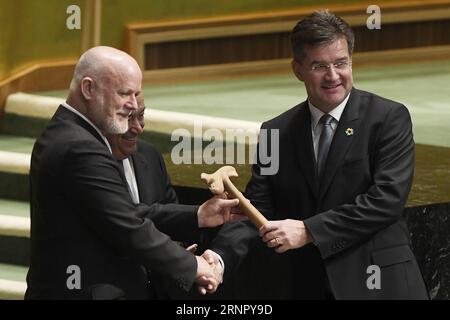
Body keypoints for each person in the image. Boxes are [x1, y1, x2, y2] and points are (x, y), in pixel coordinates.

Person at [209, 10, 429, 299]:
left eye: (341, 63)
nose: (333, 76)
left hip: (380, 284)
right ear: (297, 69)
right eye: (319, 66)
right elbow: (259, 210)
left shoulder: (388, 118)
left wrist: (309, 231)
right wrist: (218, 256)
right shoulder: (275, 132)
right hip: (309, 285)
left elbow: (386, 200)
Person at [25, 46, 236, 300]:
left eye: (136, 95)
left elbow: (128, 212)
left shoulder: (75, 136)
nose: (133, 105)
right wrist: (196, 266)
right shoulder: (78, 146)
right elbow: (127, 226)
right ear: (88, 89)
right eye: (124, 93)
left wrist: (198, 215)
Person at [105, 94, 228, 298]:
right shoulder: (89, 161)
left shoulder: (149, 154)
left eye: (141, 115)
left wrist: (182, 253)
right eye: (128, 118)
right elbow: (126, 217)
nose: (138, 127)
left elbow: (170, 214)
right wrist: (198, 216)